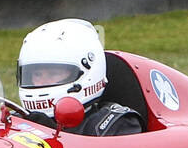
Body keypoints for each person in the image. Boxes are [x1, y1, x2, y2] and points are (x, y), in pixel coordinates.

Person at [16, 18, 144, 136]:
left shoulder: (117, 124)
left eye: (53, 74)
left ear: (89, 73)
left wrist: (50, 134)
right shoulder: (18, 120)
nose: (41, 83)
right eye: (37, 75)